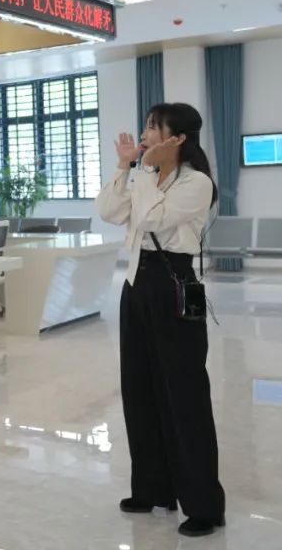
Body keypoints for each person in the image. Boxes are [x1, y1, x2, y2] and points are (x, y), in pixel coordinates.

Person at [96, 102, 226, 538]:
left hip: (173, 285)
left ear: (178, 138)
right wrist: (125, 167)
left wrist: (146, 172)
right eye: (147, 125)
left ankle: (203, 505)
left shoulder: (196, 183)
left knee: (184, 395)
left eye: (154, 127)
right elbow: (110, 211)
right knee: (139, 388)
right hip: (136, 284)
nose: (145, 133)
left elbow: (151, 217)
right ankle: (153, 489)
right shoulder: (145, 176)